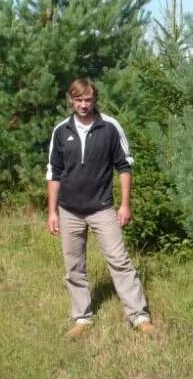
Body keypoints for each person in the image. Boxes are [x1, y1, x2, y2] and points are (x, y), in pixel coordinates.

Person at [46, 77, 155, 338]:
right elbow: (54, 172)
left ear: (95, 100)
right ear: (71, 100)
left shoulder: (109, 127)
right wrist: (52, 211)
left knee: (120, 261)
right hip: (69, 209)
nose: (83, 105)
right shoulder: (61, 131)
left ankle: (139, 316)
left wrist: (125, 205)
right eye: (78, 100)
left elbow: (124, 166)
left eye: (88, 100)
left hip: (102, 208)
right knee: (74, 266)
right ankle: (82, 318)